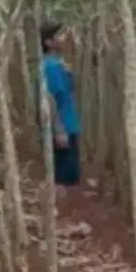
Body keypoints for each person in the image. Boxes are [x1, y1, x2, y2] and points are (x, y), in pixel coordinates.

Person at [40, 21, 81, 188]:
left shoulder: (60, 63)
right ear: (48, 42)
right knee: (64, 181)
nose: (65, 38)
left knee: (71, 177)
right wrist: (59, 130)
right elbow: (50, 99)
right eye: (61, 35)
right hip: (62, 129)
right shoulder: (50, 66)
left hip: (69, 125)